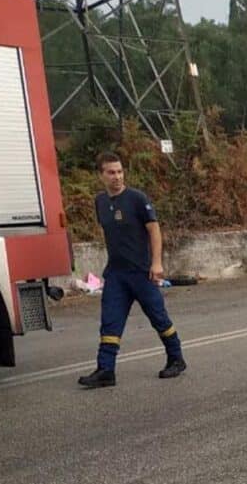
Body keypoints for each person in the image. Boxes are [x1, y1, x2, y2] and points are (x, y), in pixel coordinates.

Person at [78, 152, 186, 388]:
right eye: (111, 172)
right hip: (116, 274)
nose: (117, 177)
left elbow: (154, 230)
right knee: (110, 322)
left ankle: (176, 359)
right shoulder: (100, 202)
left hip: (141, 272)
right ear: (101, 175)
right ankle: (106, 370)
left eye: (120, 171)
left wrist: (156, 263)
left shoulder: (137, 198)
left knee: (159, 317)